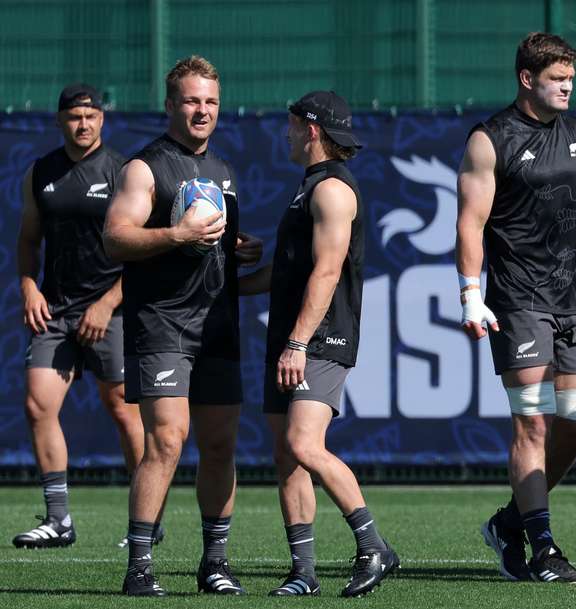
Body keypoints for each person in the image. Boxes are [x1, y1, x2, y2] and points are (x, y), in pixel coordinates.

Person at [457, 32, 576, 583]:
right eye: (557, 80)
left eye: (571, 80)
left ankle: (509, 523)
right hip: (520, 301)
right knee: (532, 425)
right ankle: (542, 547)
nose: (566, 88)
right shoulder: (490, 140)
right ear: (526, 79)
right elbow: (471, 222)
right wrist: (471, 294)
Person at [103, 56, 262, 596]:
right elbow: (116, 236)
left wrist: (240, 252)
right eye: (192, 100)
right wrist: (177, 237)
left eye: (211, 101)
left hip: (218, 324)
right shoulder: (144, 169)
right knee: (167, 441)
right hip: (162, 324)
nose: (202, 110)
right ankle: (140, 567)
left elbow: (213, 248)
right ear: (170, 104)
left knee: (220, 446)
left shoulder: (223, 171)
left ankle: (214, 563)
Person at [239, 91, 399, 598]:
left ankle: (374, 546)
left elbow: (328, 271)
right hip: (292, 338)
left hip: (318, 339)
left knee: (304, 445)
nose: (284, 134)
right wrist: (226, 280)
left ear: (311, 130)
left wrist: (298, 343)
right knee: (286, 458)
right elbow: (287, 273)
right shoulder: (306, 188)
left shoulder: (332, 189)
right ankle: (303, 572)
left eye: (290, 126)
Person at [12, 84, 154, 550]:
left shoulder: (122, 172)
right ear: (60, 120)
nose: (84, 123)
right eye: (75, 116)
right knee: (38, 405)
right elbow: (29, 240)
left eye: (92, 116)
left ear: (103, 121)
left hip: (109, 308)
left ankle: (145, 520)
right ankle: (58, 520)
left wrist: (108, 302)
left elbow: (140, 252)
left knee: (123, 411)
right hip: (55, 308)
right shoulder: (41, 173)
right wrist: (29, 286)